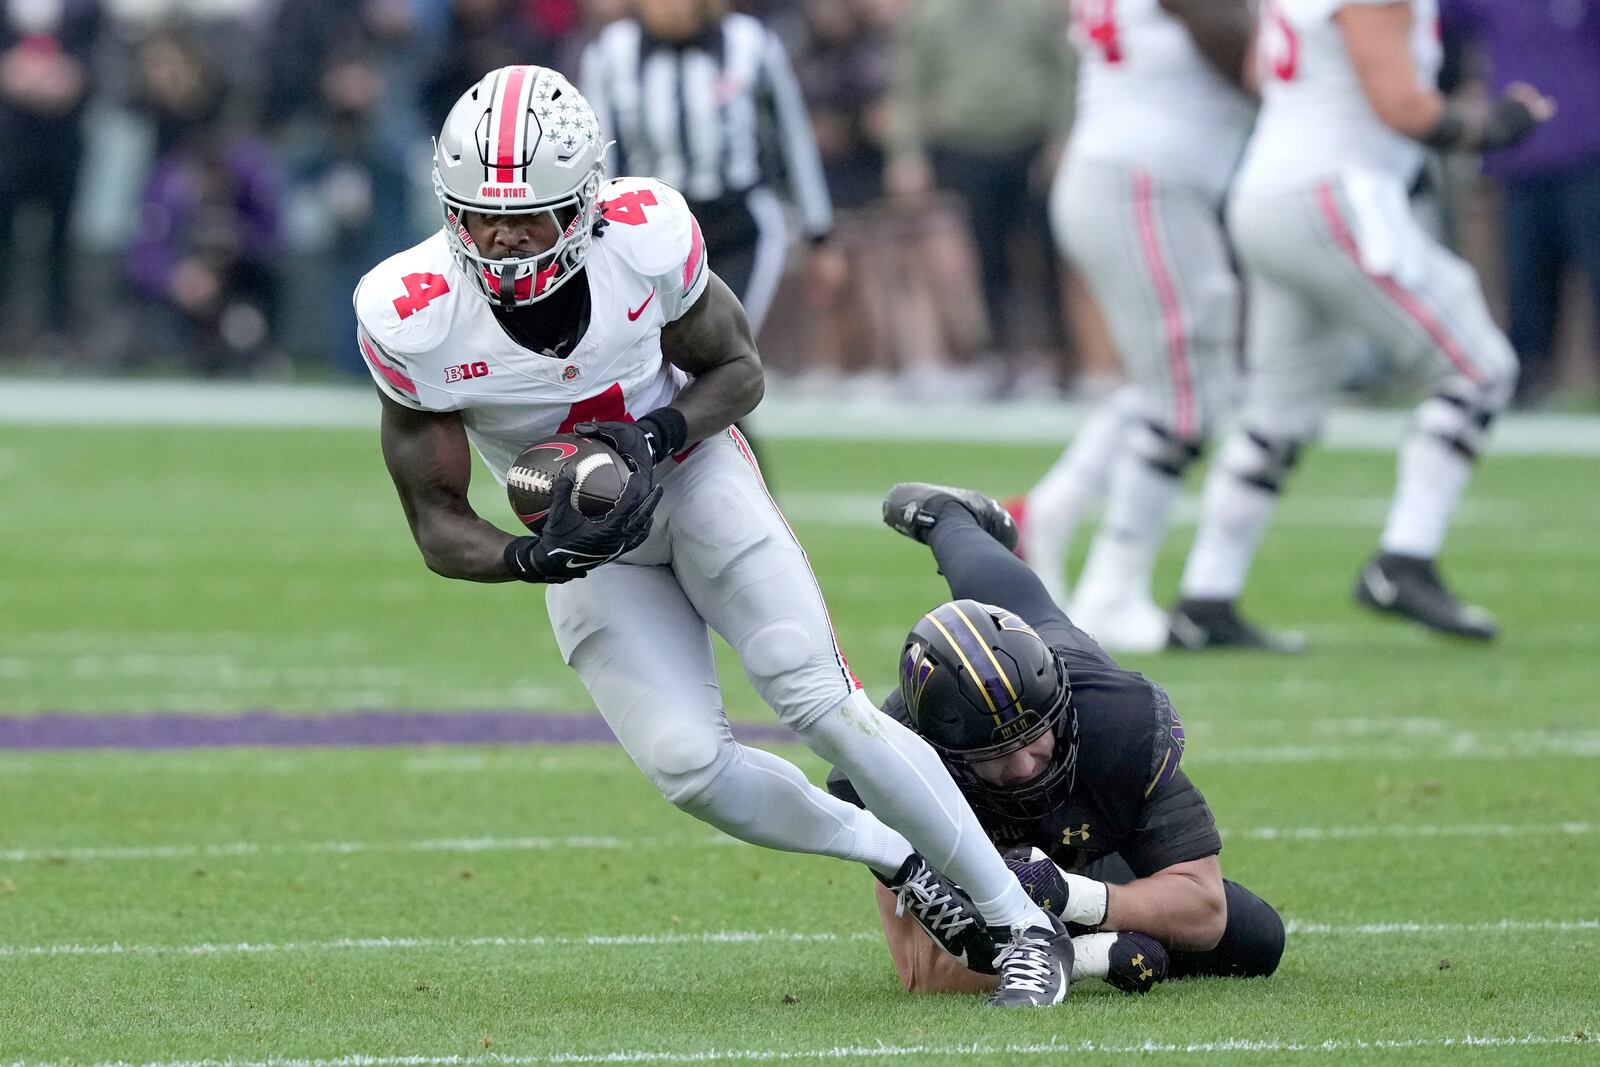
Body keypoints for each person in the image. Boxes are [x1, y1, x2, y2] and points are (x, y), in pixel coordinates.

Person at [355, 65, 1074, 1007]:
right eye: (477, 213)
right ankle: (902, 858)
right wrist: (531, 556)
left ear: (584, 204)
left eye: (525, 214)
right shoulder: (411, 313)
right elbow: (435, 522)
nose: (499, 236)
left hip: (693, 477)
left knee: (820, 698)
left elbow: (738, 368)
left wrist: (655, 435)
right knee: (689, 766)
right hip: (586, 543)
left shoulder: (644, 235)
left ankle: (1023, 923)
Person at [1168, 0, 1553, 650]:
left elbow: (1264, 74)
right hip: (1330, 194)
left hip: (1268, 189)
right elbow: (1403, 107)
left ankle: (1206, 595)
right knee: (1480, 368)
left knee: (1276, 417)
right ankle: (1404, 560)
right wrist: (1500, 124)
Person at [830, 483, 1285, 995]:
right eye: (995, 754)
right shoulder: (889, 769)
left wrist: (1073, 897)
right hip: (986, 855)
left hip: (1081, 839)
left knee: (1255, 940)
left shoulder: (1114, 718)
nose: (1025, 766)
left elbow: (1204, 910)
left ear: (1059, 706)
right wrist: (1095, 953)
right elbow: (927, 972)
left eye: (1034, 736)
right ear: (947, 754)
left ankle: (946, 517)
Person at [1015, 0, 1257, 653]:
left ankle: (1046, 515)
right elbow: (1247, 59)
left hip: (1134, 170)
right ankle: (1112, 586)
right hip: (1145, 177)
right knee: (1187, 398)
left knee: (1178, 384)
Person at [580, 0, 842, 339]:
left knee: (721, 346)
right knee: (656, 357)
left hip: (739, 224)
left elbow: (794, 139)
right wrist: (593, 235)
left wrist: (819, 234)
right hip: (647, 230)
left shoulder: (752, 44)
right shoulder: (609, 54)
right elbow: (599, 157)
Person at [1440, 0, 1600, 406]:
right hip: (1519, 156)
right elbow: (1439, 34)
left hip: (1588, 150)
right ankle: (1527, 385)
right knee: (1524, 282)